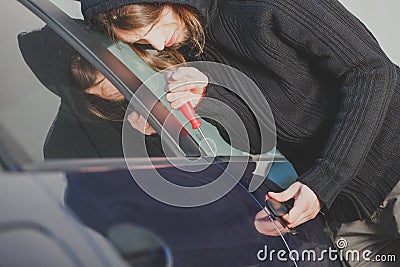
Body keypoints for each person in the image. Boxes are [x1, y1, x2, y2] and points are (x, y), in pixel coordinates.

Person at [80, 0, 400, 264]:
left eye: (155, 26)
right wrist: (206, 96)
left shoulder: (260, 6)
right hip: (346, 207)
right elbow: (264, 137)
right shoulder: (194, 47)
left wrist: (324, 182)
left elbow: (372, 70)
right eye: (140, 41)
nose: (158, 44)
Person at [18, 25, 163, 158]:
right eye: (96, 83)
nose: (111, 84)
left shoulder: (158, 78)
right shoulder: (68, 145)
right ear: (76, 90)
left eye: (112, 69)